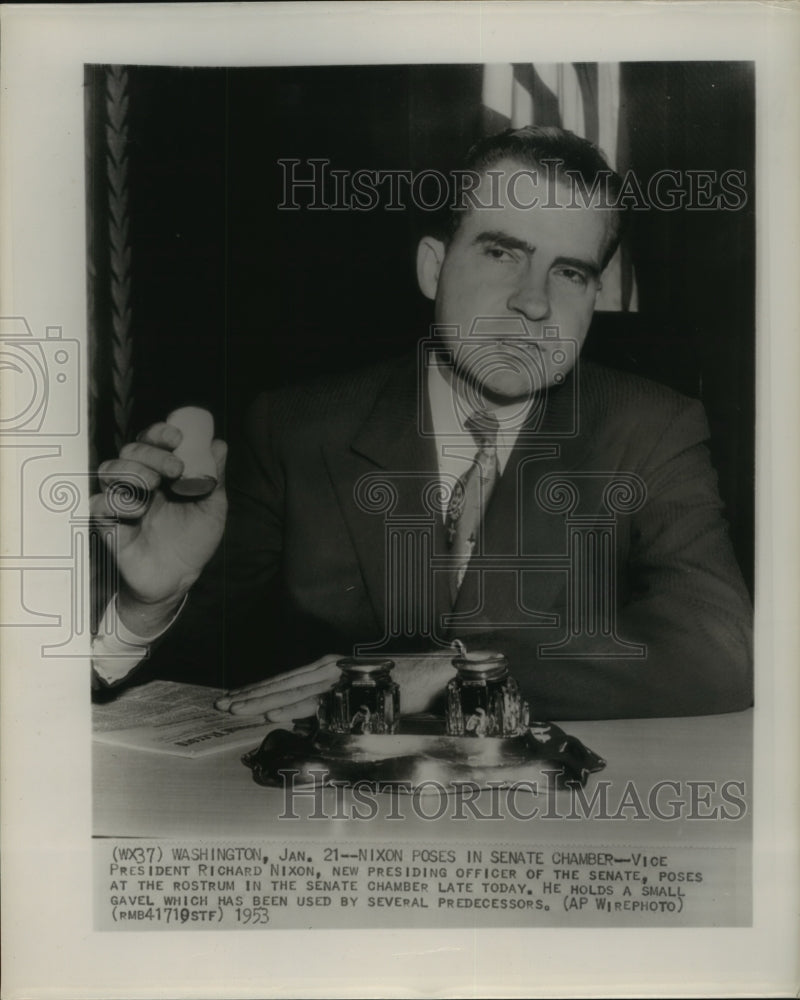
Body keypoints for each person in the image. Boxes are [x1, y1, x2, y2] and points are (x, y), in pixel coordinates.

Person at [91, 126, 753, 722]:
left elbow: (720, 649)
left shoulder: (652, 428)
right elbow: (191, 691)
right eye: (502, 254)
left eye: (570, 272)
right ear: (433, 267)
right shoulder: (295, 429)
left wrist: (462, 671)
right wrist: (149, 607)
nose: (533, 302)